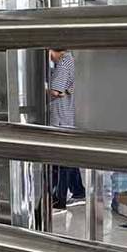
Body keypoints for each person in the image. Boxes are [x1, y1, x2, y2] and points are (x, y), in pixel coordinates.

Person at [48, 48, 85, 210]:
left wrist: (39, 89)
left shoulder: (64, 62)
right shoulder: (69, 60)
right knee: (68, 157)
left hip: (60, 119)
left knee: (61, 161)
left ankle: (59, 199)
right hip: (65, 117)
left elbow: (56, 91)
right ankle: (78, 192)